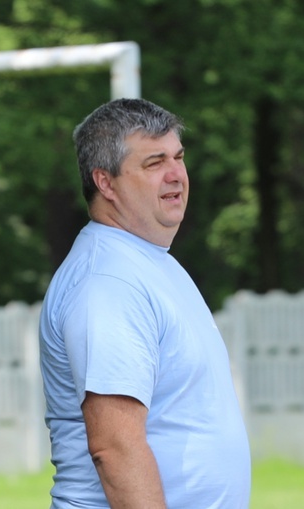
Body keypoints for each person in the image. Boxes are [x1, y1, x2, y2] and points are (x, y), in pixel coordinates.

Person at [38, 98, 251, 508]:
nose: (176, 175)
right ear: (106, 183)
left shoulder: (147, 261)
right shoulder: (109, 282)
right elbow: (115, 448)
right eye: (154, 164)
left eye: (178, 157)